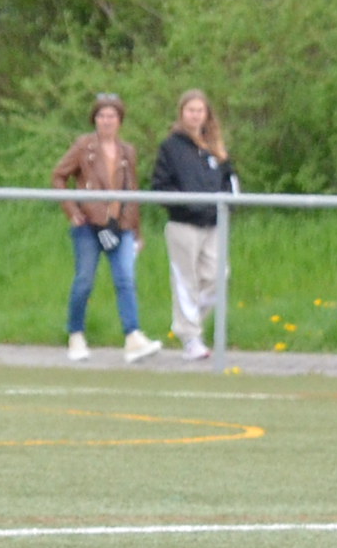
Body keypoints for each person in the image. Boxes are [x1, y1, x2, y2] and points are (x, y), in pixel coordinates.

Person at [53, 92, 156, 363]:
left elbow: (133, 192)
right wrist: (72, 211)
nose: (106, 121)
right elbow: (58, 176)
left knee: (125, 280)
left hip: (120, 225)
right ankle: (76, 334)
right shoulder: (83, 146)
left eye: (111, 116)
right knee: (84, 280)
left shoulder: (127, 151)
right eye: (101, 115)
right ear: (94, 119)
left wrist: (137, 231)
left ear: (120, 120)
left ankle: (132, 336)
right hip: (89, 226)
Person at [147, 87, 238, 361]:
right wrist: (187, 205)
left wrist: (226, 206)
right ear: (182, 113)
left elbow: (230, 182)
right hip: (183, 225)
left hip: (214, 224)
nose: (195, 115)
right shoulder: (171, 147)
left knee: (217, 276)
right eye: (190, 110)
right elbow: (160, 186)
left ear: (207, 114)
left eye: (200, 110)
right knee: (186, 281)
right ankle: (190, 338)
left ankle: (190, 324)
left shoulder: (216, 147)